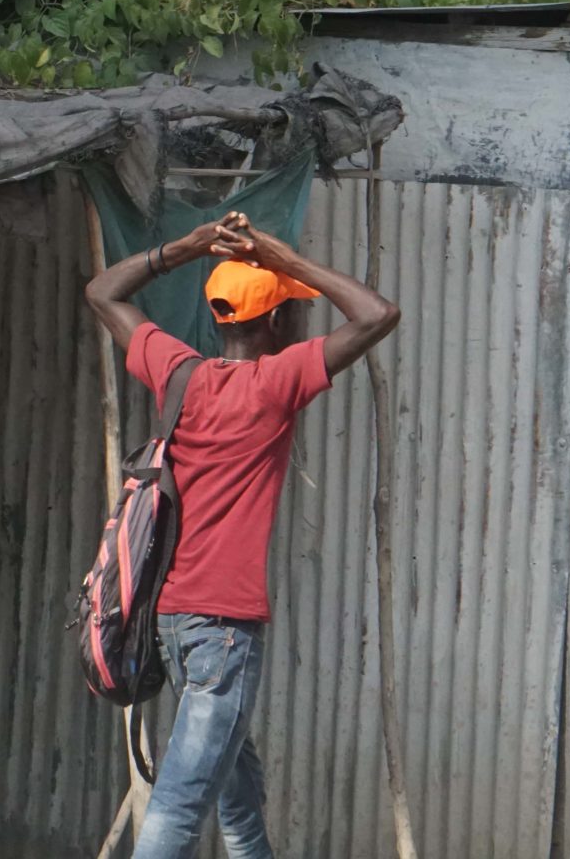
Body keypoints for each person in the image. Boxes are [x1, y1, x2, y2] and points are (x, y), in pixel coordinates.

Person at [84, 211, 399, 859]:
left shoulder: (178, 373)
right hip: (224, 629)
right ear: (278, 322)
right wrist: (286, 260)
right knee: (175, 814)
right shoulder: (275, 385)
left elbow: (102, 292)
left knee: (236, 794)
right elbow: (376, 315)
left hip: (170, 622)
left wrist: (184, 246)